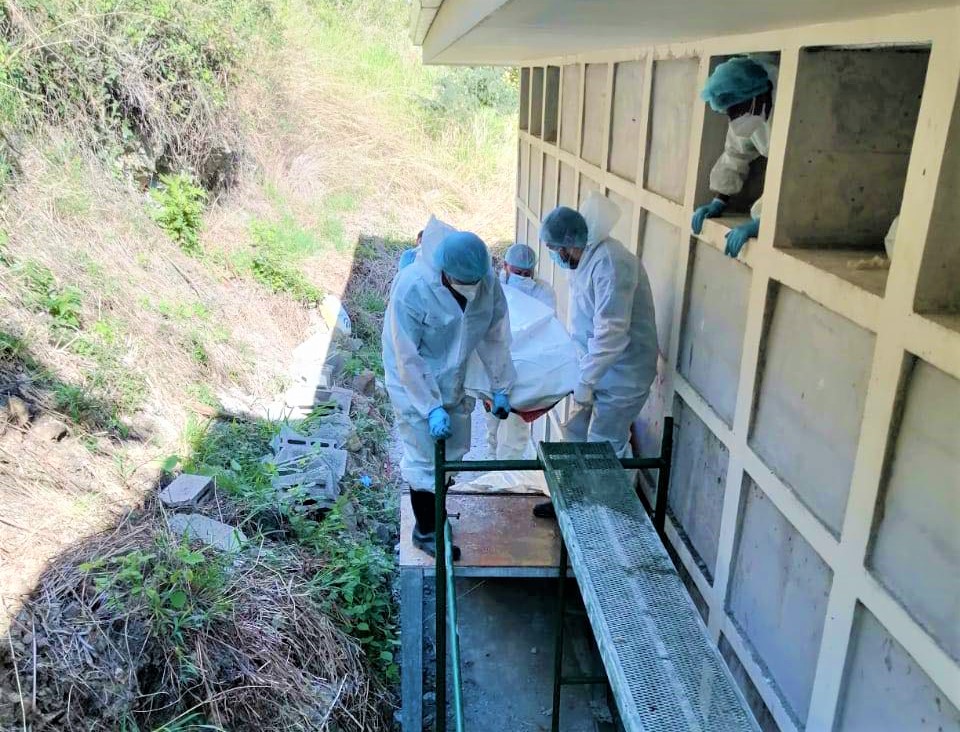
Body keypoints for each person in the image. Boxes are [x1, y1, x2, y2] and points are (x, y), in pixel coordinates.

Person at [383, 226, 516, 557]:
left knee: (453, 451)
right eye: (462, 285)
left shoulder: (486, 281)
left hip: (454, 375)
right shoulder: (412, 287)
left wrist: (500, 386)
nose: (471, 290)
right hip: (412, 380)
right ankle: (426, 530)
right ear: (443, 272)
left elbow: (495, 334)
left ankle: (437, 514)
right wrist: (429, 407)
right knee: (424, 457)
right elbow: (407, 356)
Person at [534, 193, 658, 518]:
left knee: (605, 444)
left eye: (557, 251)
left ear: (570, 244)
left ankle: (611, 513)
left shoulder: (612, 264)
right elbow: (584, 323)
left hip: (623, 373)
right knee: (574, 433)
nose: (557, 257)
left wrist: (586, 380)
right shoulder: (585, 260)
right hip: (595, 366)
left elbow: (612, 333)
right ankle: (572, 502)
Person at [691, 55, 779, 258]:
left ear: (755, 94)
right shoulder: (752, 110)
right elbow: (736, 153)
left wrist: (762, 221)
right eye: (729, 112)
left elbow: (793, 173)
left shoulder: (787, 107)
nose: (735, 117)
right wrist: (719, 200)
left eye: (736, 109)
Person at [484, 243, 556, 459]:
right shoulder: (493, 287)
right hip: (496, 362)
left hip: (527, 365)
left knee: (516, 425)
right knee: (493, 418)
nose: (523, 277)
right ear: (505, 266)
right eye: (518, 272)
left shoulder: (543, 292)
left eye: (527, 273)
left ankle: (509, 469)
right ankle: (491, 459)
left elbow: (546, 330)